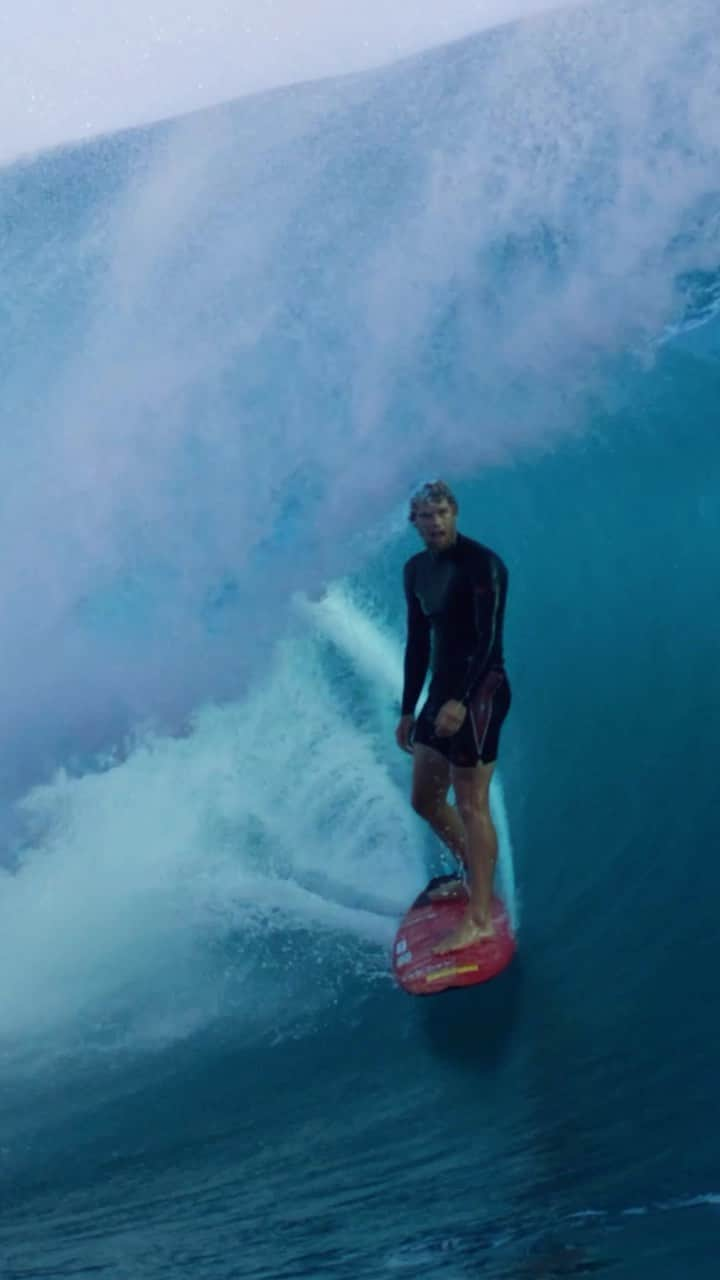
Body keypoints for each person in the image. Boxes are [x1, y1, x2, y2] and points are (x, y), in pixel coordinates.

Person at [395, 480, 511, 952]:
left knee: (471, 804)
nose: (436, 522)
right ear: (414, 521)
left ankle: (480, 918)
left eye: (443, 512)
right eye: (426, 515)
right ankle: (474, 874)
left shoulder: (484, 565)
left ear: (456, 513)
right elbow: (418, 642)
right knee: (424, 798)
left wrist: (461, 701)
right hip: (440, 691)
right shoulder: (416, 570)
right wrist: (408, 708)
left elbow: (487, 640)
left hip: (481, 691)